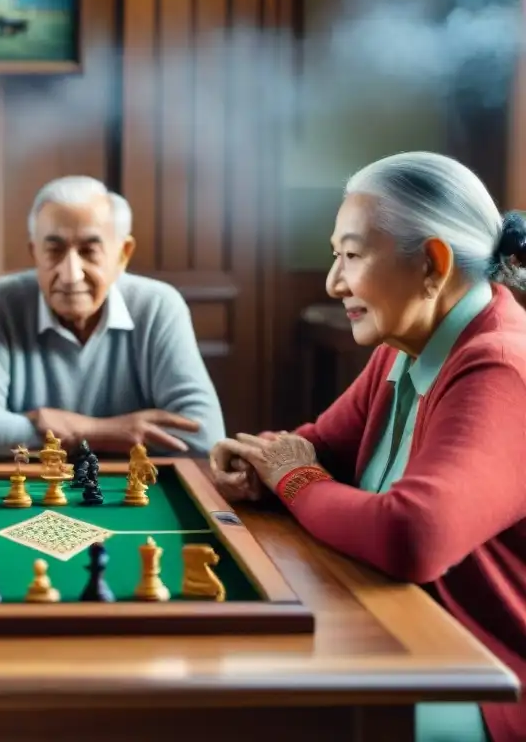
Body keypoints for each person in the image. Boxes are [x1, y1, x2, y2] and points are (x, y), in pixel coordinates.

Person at [210, 152, 526, 742]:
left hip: (483, 683)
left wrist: (293, 481)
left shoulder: (501, 364)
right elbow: (316, 446)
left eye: (351, 256)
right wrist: (258, 466)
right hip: (393, 634)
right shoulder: (403, 344)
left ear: (432, 263)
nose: (334, 281)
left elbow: (413, 536)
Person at [0, 175, 225, 457]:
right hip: (33, 493)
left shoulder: (158, 306)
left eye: (89, 251)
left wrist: (67, 428)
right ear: (34, 253)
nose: (70, 274)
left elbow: (204, 436)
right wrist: (101, 432)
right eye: (53, 251)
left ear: (122, 255)